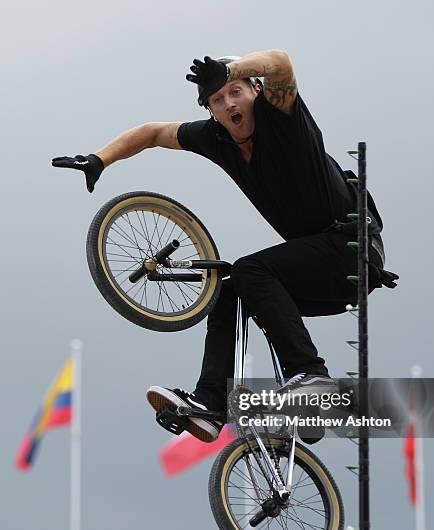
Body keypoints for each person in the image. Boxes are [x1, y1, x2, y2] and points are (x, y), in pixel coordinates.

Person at [52, 50, 398, 445]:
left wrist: (230, 70)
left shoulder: (280, 115)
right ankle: (211, 403)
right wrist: (100, 159)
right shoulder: (215, 137)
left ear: (255, 91)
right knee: (232, 289)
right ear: (212, 112)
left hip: (352, 249)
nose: (229, 103)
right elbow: (152, 133)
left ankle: (311, 375)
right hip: (322, 269)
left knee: (251, 270)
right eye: (218, 100)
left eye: (236, 92)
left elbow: (280, 63)